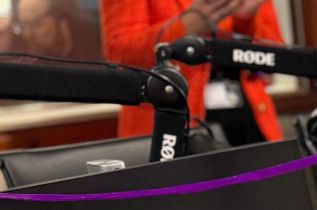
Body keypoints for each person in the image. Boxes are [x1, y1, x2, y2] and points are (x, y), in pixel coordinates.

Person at [99, 0, 285, 143]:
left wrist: (245, 20)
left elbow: (276, 61)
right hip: (170, 130)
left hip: (249, 121)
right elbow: (120, 54)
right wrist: (184, 29)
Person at [6, 0, 103, 61]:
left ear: (62, 21)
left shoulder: (97, 38)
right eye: (23, 25)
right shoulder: (21, 50)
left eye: (36, 25)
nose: (27, 34)